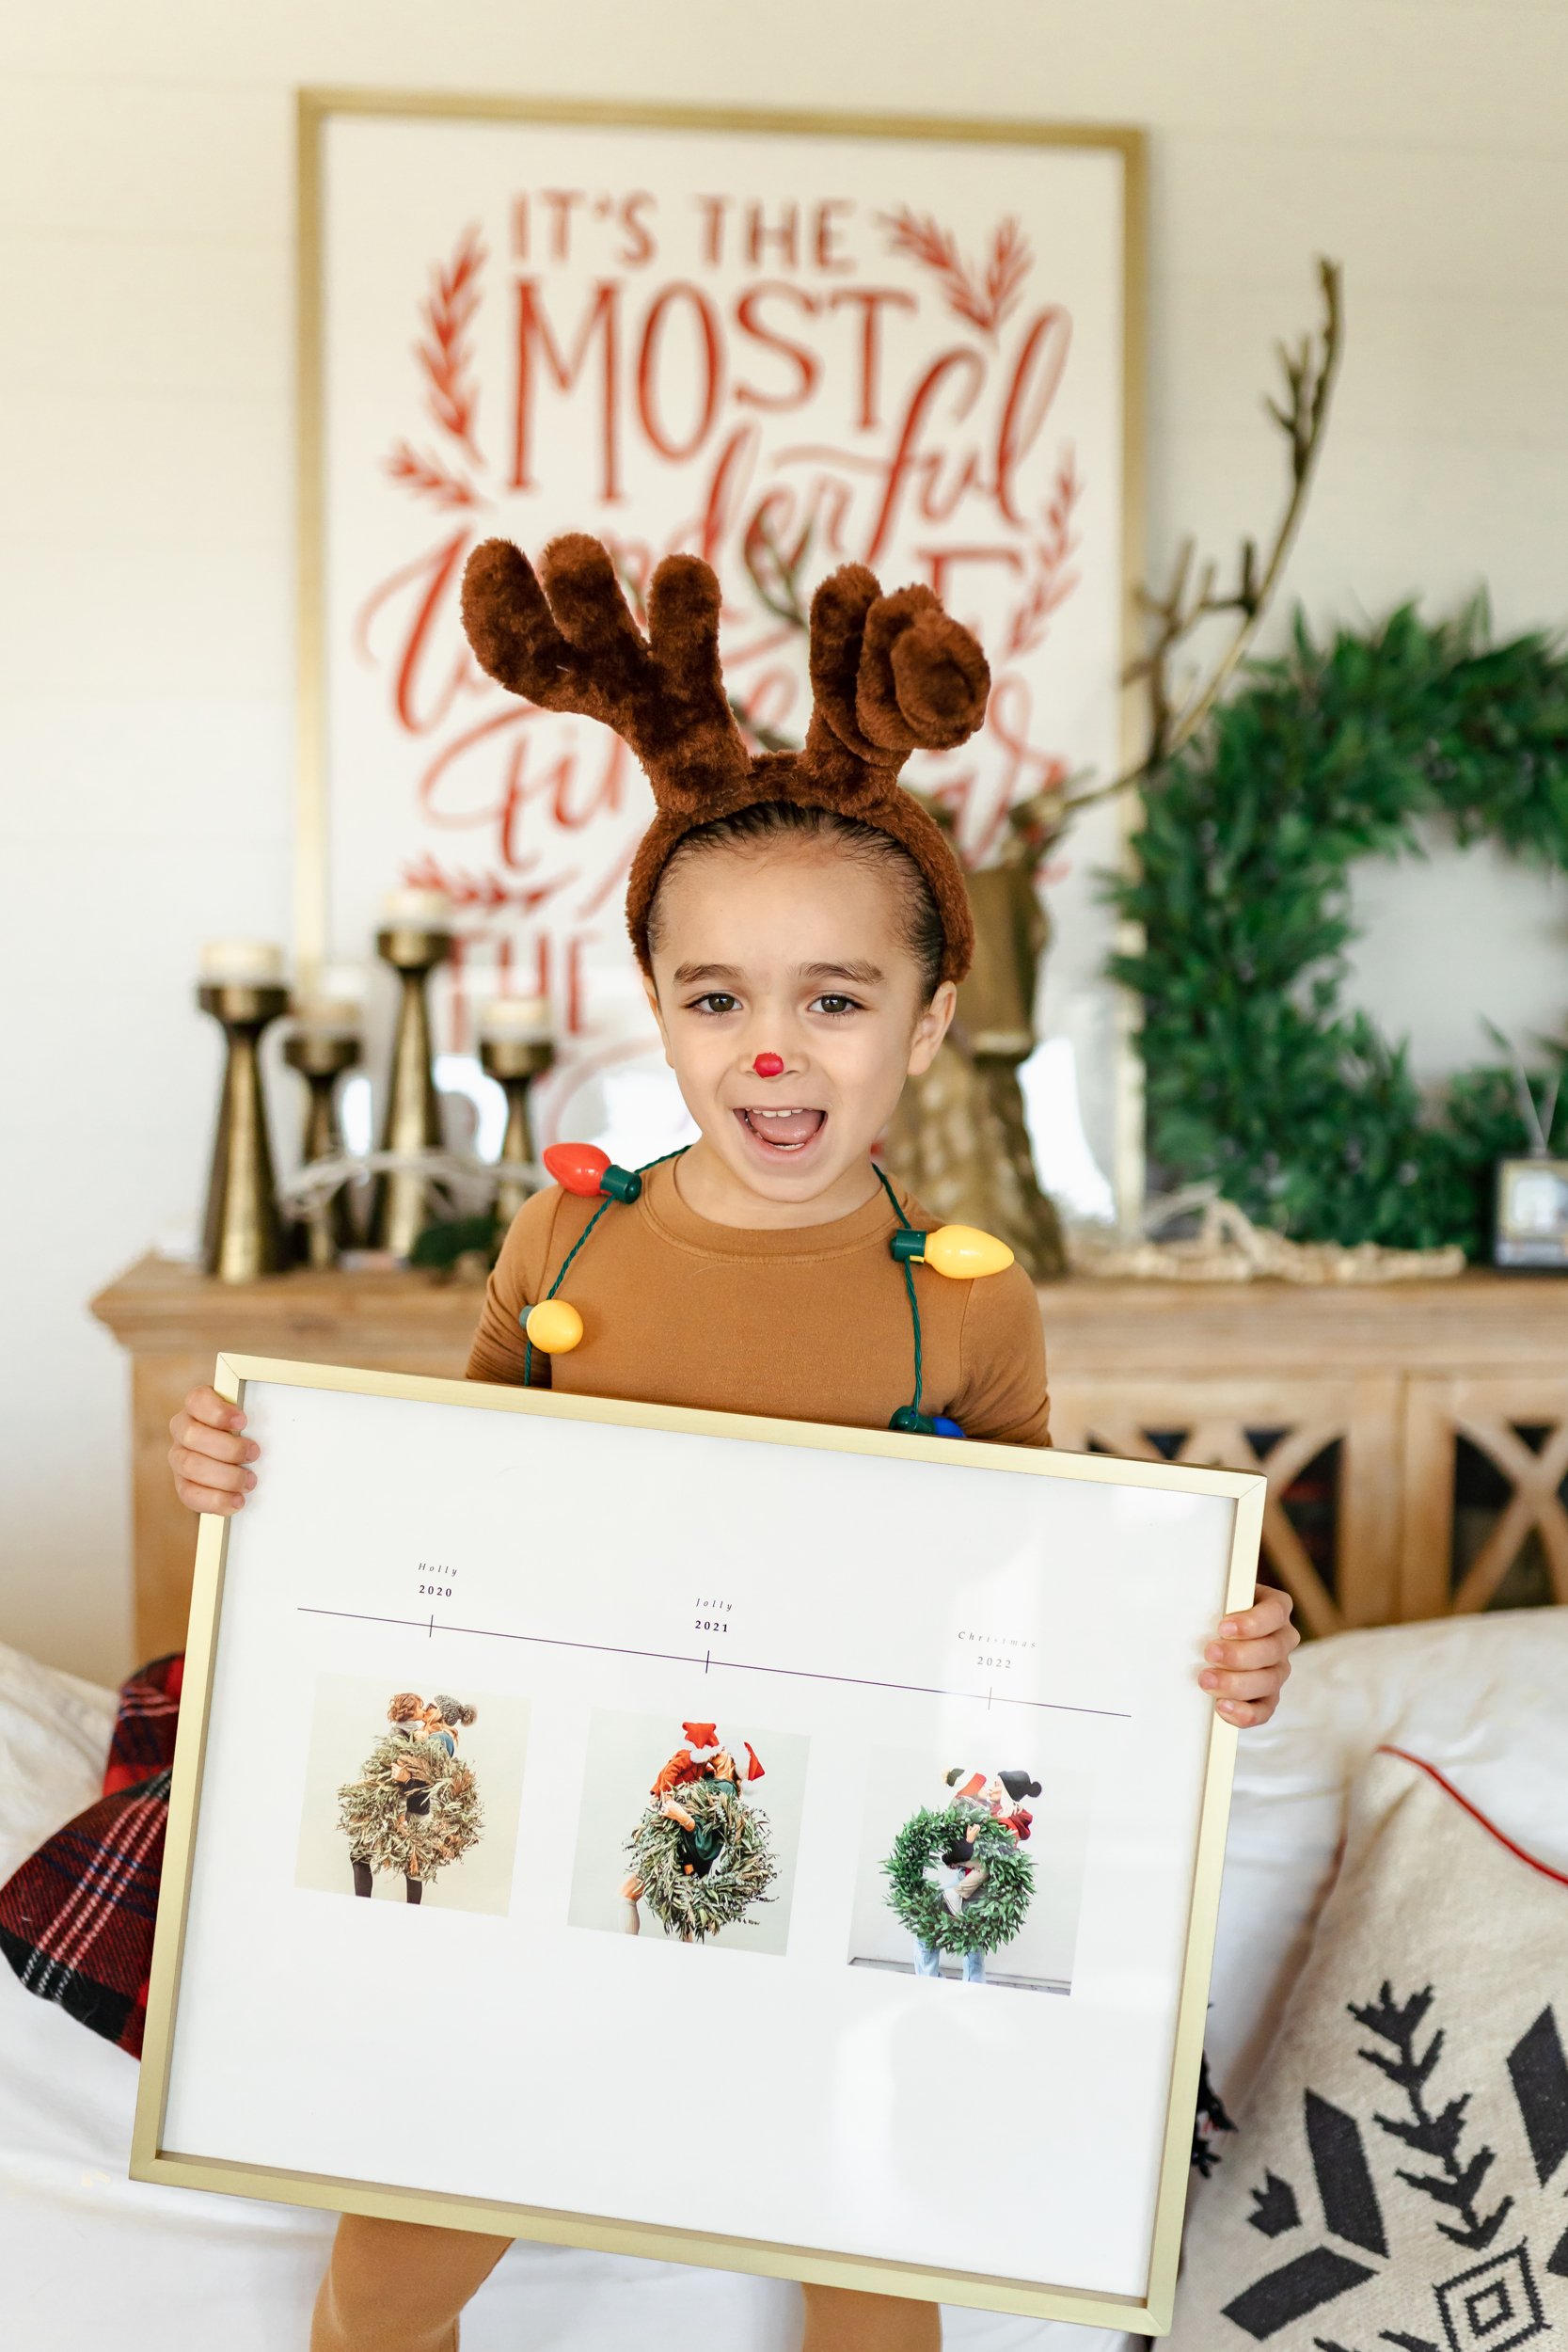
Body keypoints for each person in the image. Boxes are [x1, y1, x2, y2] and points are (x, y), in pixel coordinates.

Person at [167, 532, 1298, 2352]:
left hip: (831, 1865)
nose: (774, 1053)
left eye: (835, 1000)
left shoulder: (966, 1303)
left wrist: (1223, 1652)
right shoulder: (571, 1241)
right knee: (379, 2281)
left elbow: (1053, 1589)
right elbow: (422, 1514)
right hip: (541, 1866)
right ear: (661, 1007)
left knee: (878, 2282)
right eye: (719, 999)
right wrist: (248, 1482)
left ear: (929, 1023)